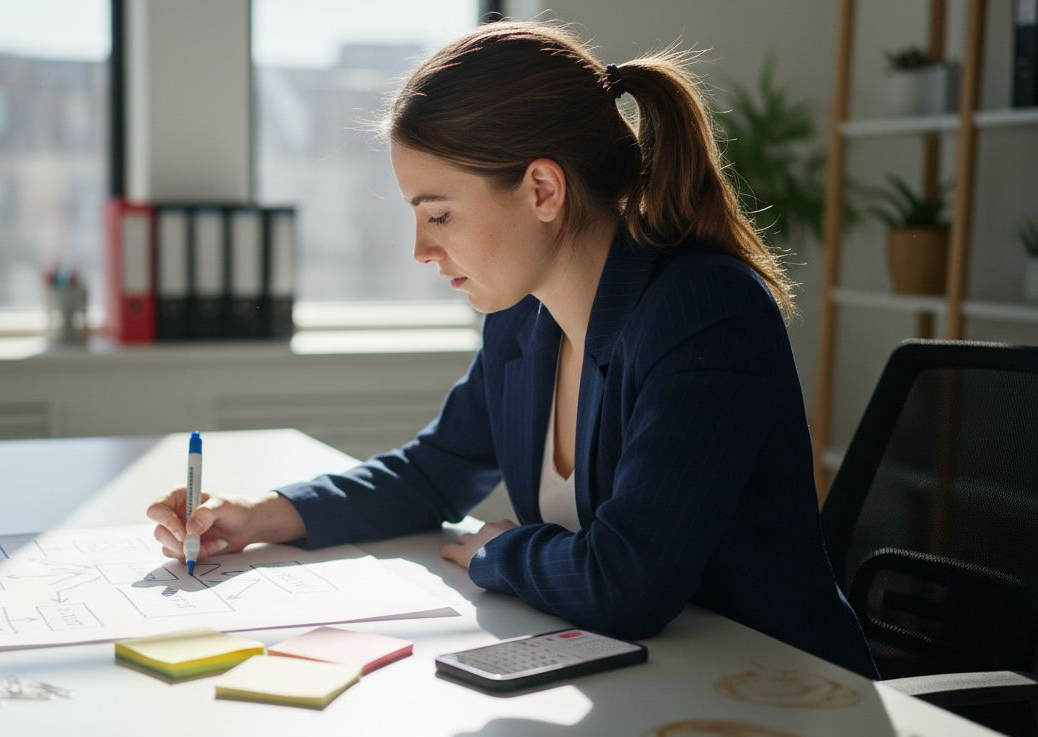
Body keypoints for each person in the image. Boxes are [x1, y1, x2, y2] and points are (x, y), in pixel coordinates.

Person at [148, 20, 878, 679]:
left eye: (439, 213)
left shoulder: (703, 313)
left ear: (542, 189)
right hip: (651, 683)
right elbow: (434, 474)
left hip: (782, 700)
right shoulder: (523, 318)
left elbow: (628, 583)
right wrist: (259, 516)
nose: (420, 249)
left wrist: (501, 554)